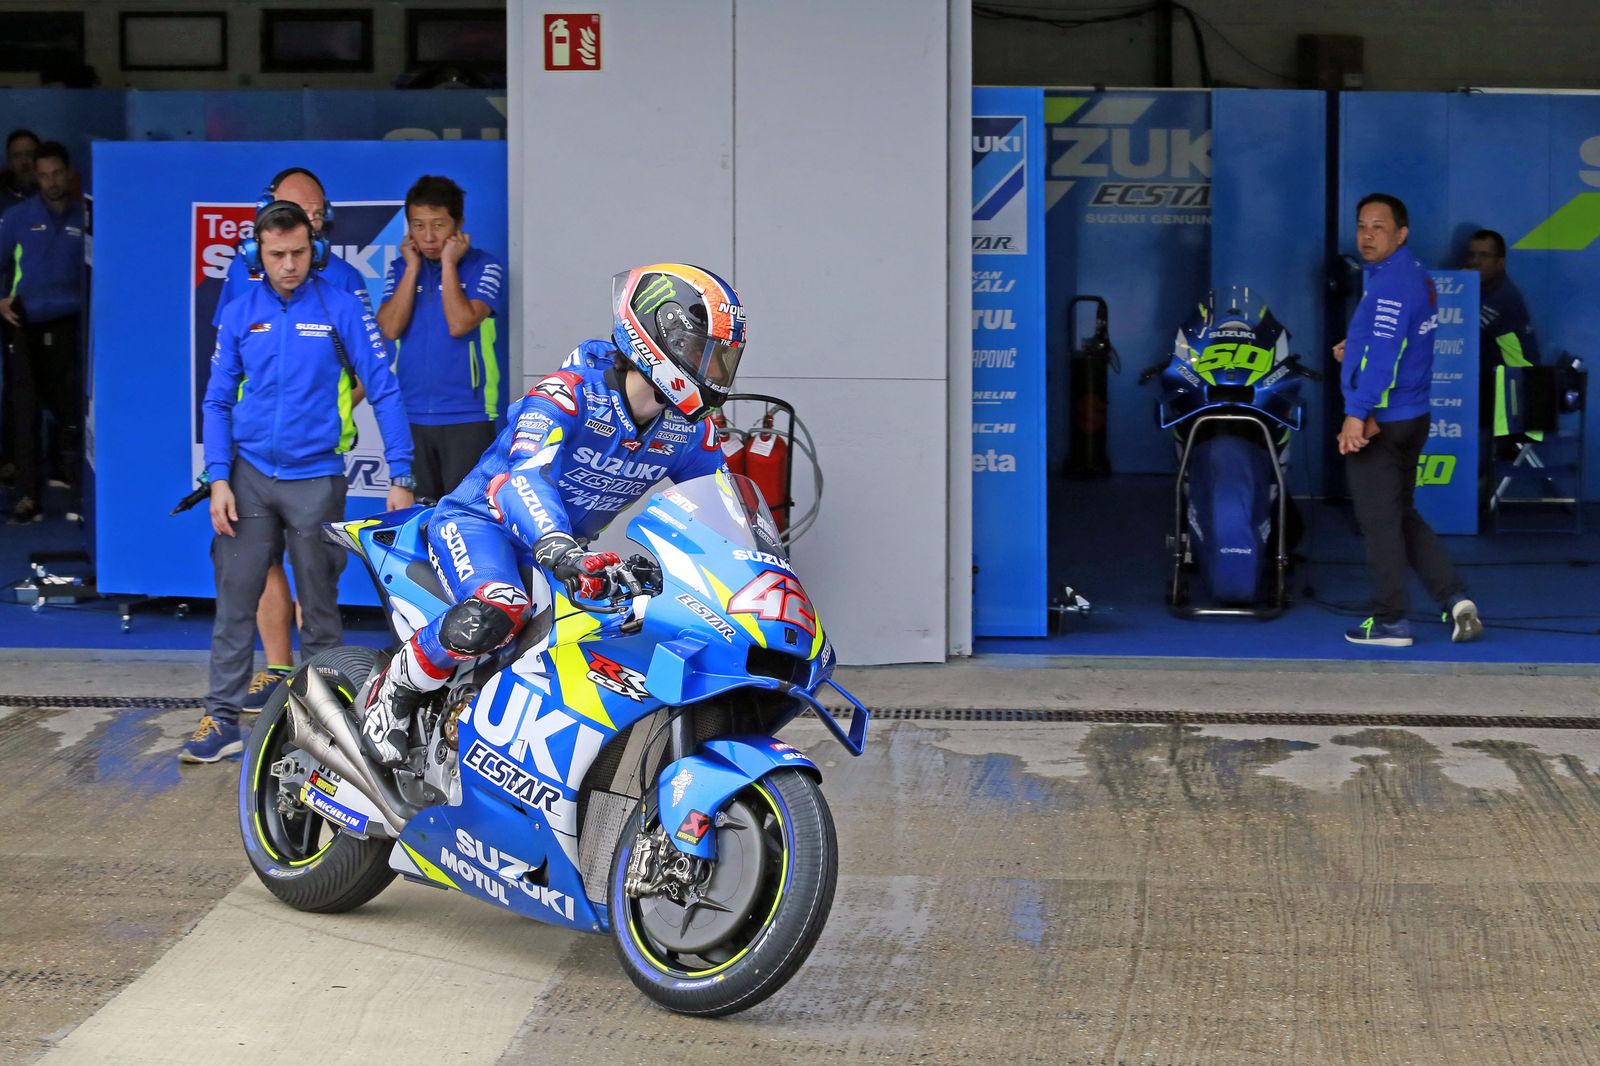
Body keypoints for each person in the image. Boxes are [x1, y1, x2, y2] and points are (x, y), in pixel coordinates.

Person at [359, 263, 746, 768]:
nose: (713, 372)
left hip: (564, 552)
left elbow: (724, 502)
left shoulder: (687, 431)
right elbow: (525, 477)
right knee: (498, 604)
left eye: (722, 360)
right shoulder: (567, 393)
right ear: (657, 337)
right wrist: (556, 543)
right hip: (483, 524)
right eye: (703, 353)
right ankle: (392, 692)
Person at [182, 201, 416, 763]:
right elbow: (216, 400)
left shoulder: (340, 306)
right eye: (276, 255)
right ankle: (221, 720)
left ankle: (321, 730)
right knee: (236, 600)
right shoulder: (240, 311)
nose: (289, 264)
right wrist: (218, 478)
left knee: (320, 605)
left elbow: (381, 387)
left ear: (314, 249)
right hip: (249, 478)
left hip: (317, 478)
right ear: (258, 256)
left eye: (298, 253)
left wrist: (401, 474)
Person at [213, 167, 377, 713]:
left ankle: (317, 704)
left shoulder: (344, 285)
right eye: (288, 212)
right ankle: (274, 670)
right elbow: (230, 376)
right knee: (254, 572)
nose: (290, 254)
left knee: (318, 587)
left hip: (315, 462)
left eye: (310, 217)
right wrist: (221, 465)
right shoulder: (244, 276)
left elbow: (369, 370)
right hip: (252, 462)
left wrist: (321, 413)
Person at [1333, 193, 1481, 648]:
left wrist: (1359, 414)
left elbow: (1386, 357)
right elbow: (1393, 344)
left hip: (1385, 420)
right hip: (1413, 414)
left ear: (1402, 233)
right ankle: (1454, 597)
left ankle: (1390, 620)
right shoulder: (1410, 272)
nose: (1367, 235)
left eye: (1379, 226)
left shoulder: (1392, 283)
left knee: (1379, 526)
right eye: (1361, 225)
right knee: (1400, 515)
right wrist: (1351, 351)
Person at [376, 175, 507, 501]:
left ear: (458, 224)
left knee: (465, 521)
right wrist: (411, 270)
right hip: (410, 416)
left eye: (438, 225)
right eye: (418, 226)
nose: (429, 237)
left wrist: (449, 264)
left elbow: (460, 323)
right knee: (413, 524)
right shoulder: (400, 267)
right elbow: (389, 328)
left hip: (468, 415)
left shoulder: (484, 266)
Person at [0, 141, 85, 523]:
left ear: (68, 174)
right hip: (26, 324)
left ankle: (79, 490)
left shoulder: (85, 215)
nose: (51, 181)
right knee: (25, 412)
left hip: (73, 325)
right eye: (44, 174)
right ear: (36, 176)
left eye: (57, 174)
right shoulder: (18, 217)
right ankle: (27, 497)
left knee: (74, 412)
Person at [1464, 228, 1539, 428]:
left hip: (1515, 393)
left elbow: (1466, 334)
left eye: (1484, 255)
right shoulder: (1482, 291)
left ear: (1501, 263)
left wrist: (1457, 286)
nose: (1475, 262)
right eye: (1471, 255)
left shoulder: (1503, 296)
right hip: (1497, 388)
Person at [0, 129, 38, 214]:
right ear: (9, 163)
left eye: (29, 154)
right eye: (17, 156)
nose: (24, 162)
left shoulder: (53, 193)